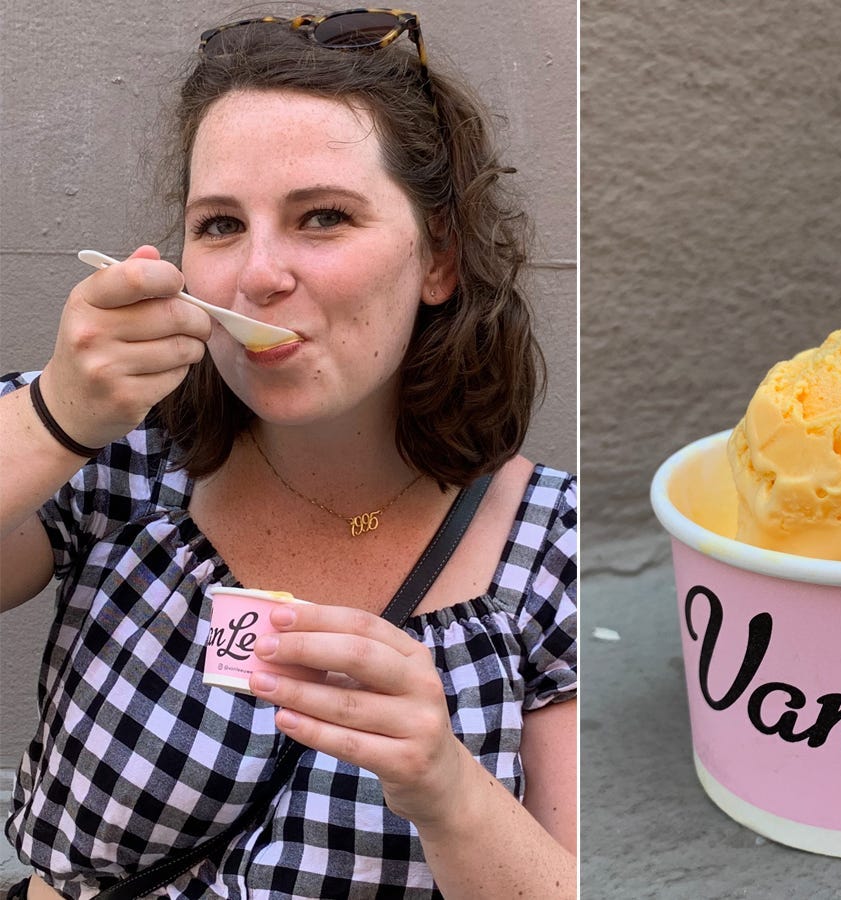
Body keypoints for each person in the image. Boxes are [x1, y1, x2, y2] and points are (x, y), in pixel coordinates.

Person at [0, 9, 576, 899]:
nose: (257, 274)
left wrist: (445, 784)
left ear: (439, 261)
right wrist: (56, 419)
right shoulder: (121, 459)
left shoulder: (554, 554)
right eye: (221, 226)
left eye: (323, 217)